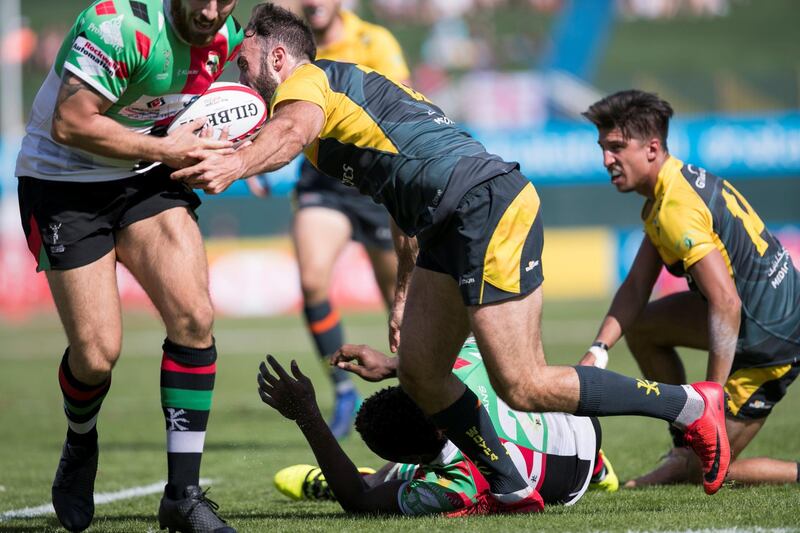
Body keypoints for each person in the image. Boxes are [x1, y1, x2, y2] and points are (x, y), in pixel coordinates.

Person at [173, 3, 731, 509]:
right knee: (419, 373)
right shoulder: (335, 125)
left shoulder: (312, 85)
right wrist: (402, 294)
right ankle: (510, 485)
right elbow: (397, 201)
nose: (240, 80)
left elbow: (288, 131)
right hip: (449, 219)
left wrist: (234, 164)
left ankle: (689, 405)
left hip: (483, 204)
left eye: (244, 65)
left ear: (277, 57)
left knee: (523, 383)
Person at [15, 1, 243, 531]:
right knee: (96, 357)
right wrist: (165, 149)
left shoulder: (227, 34)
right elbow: (70, 123)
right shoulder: (118, 26)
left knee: (194, 316)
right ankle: (80, 441)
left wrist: (235, 155)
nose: (210, 11)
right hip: (63, 185)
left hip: (143, 178)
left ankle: (183, 496)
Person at [581, 89, 800, 487]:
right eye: (602, 147)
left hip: (773, 337)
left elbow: (725, 301)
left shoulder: (676, 206)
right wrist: (598, 350)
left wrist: (710, 402)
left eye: (616, 147)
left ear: (651, 148)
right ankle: (685, 440)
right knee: (644, 326)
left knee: (706, 467)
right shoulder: (668, 190)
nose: (606, 160)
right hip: (760, 313)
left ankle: (693, 445)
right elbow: (635, 287)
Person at [246, 0, 411, 440]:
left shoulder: (374, 41)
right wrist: (257, 157)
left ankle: (417, 382)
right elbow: (274, 107)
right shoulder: (288, 46)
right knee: (312, 280)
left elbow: (403, 107)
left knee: (398, 298)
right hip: (322, 180)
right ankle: (341, 387)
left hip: (375, 184)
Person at [258, 340, 619, 516]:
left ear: (416, 456)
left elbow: (359, 502)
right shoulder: (462, 362)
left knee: (377, 488)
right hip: (581, 418)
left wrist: (308, 416)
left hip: (572, 481)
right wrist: (401, 363)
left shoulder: (453, 484)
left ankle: (369, 476)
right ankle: (599, 466)